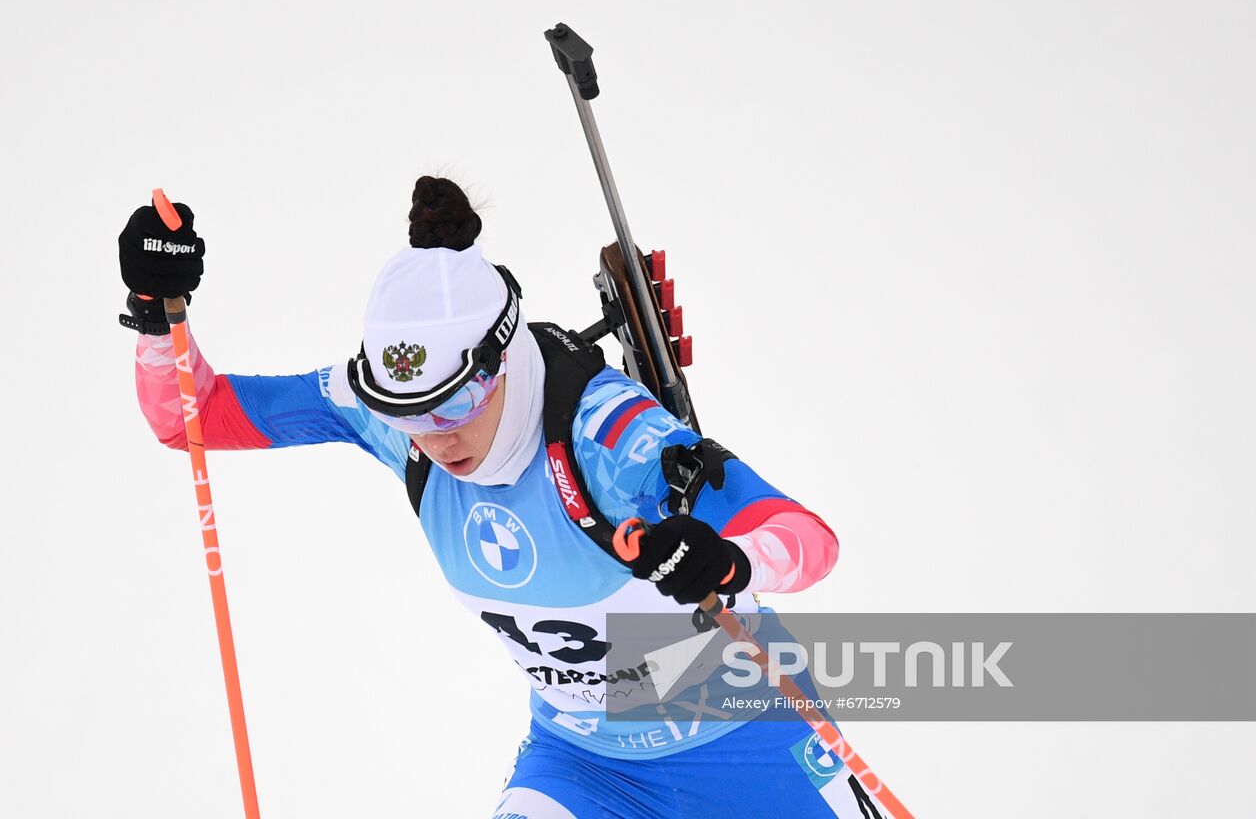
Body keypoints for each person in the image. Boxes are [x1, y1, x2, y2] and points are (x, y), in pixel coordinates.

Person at [119, 177, 873, 818]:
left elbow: (806, 538)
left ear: (500, 360)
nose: (434, 440)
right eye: (405, 417)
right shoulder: (399, 425)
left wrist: (729, 561)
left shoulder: (608, 438)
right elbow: (192, 416)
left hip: (741, 745)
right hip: (582, 766)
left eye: (450, 408)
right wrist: (159, 316)